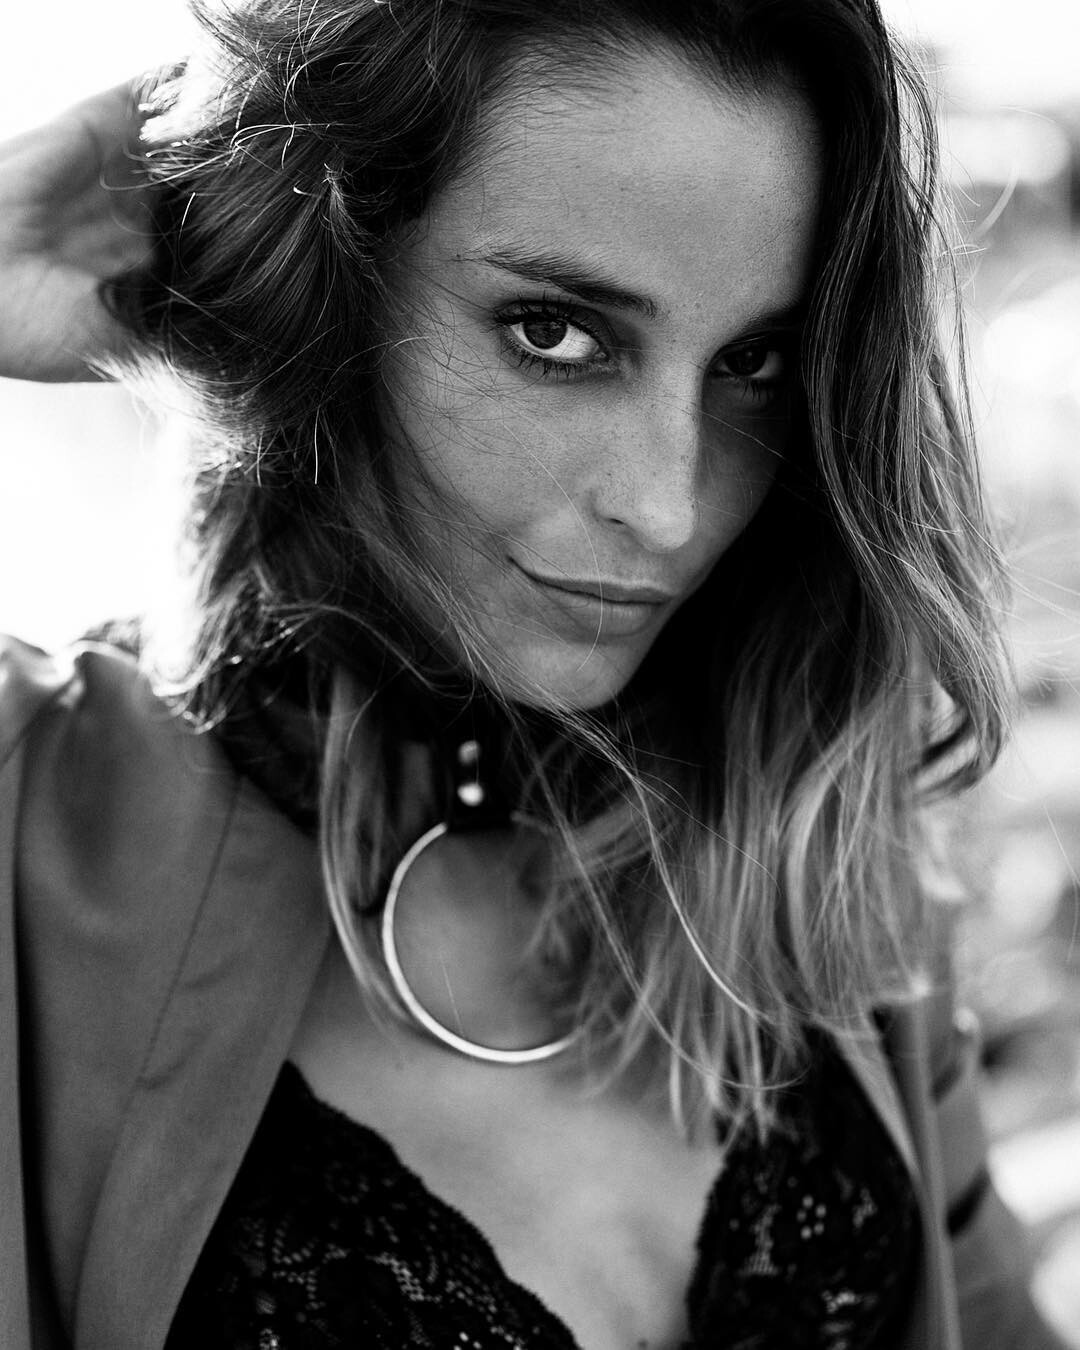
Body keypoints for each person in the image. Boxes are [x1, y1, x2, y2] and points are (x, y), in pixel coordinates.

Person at [0, 1, 1067, 1347]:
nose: (668, 508)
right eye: (556, 333)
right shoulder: (32, 822)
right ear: (314, 279)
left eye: (753, 361)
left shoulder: (812, 826)